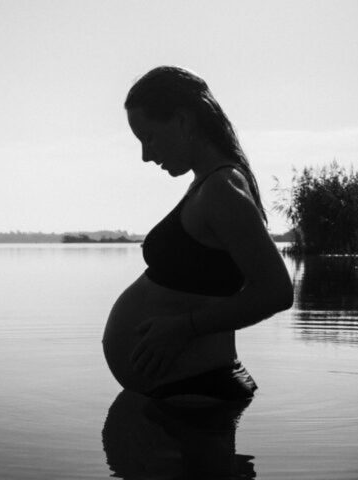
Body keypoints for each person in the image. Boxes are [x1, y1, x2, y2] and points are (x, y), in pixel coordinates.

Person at [102, 66, 293, 401]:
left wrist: (183, 327)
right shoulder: (208, 184)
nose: (146, 155)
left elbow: (276, 291)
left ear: (183, 121)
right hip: (188, 392)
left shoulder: (221, 189)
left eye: (149, 137)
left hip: (201, 390)